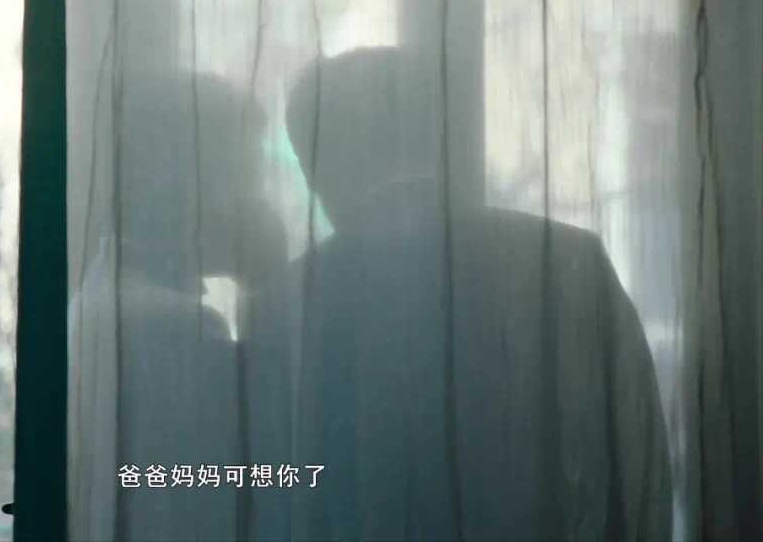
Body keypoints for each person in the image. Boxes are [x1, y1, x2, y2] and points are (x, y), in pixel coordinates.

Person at [244, 46, 672, 541]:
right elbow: (637, 457)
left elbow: (282, 490)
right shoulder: (570, 259)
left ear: (323, 164)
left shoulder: (291, 297)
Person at [67, 70, 286, 541]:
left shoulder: (105, 292)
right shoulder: (177, 326)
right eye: (246, 184)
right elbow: (260, 477)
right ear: (192, 187)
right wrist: (272, 288)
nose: (258, 207)